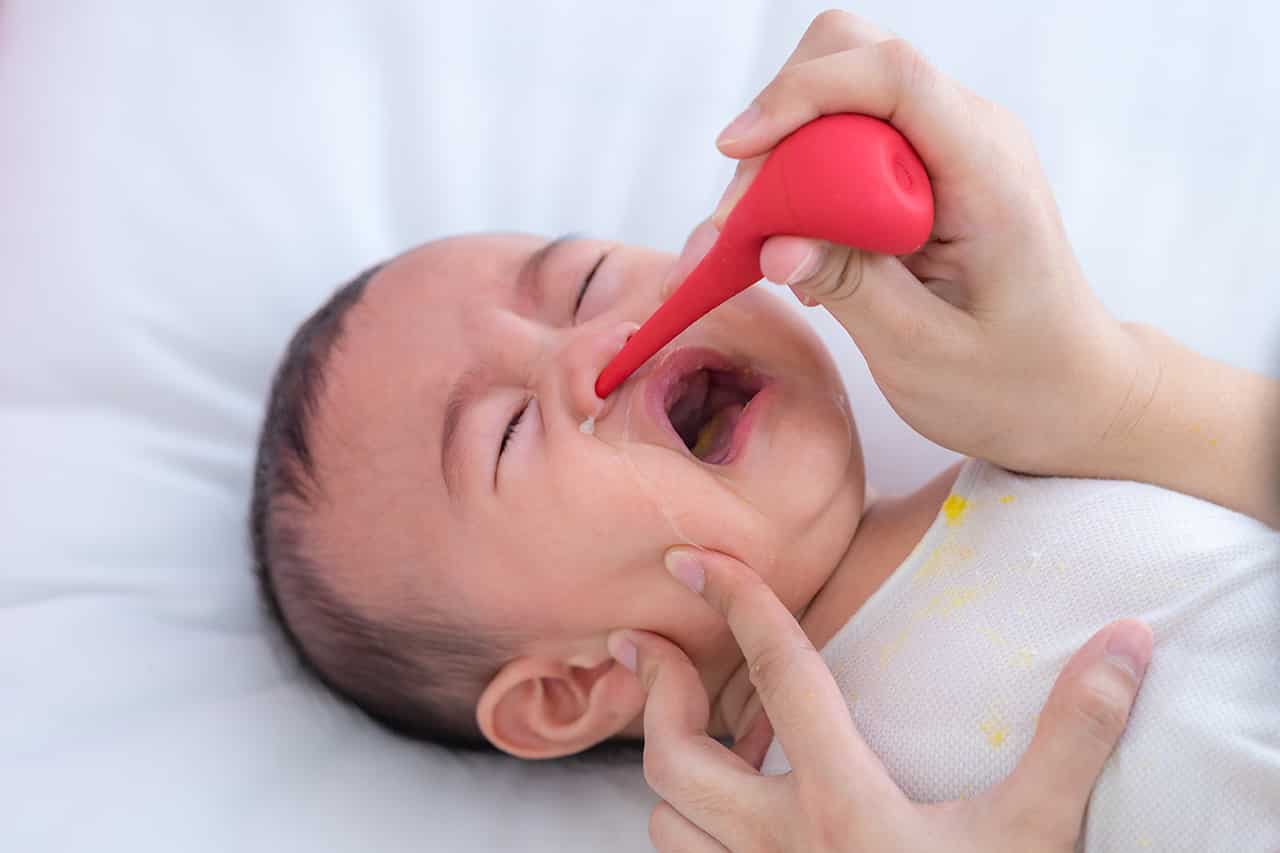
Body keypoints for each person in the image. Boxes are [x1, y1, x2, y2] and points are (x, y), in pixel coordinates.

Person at [248, 10, 1280, 851]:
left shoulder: (1052, 437)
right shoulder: (791, 827)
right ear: (571, 687)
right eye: (507, 432)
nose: (591, 347)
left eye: (584, 282)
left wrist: (1120, 399)